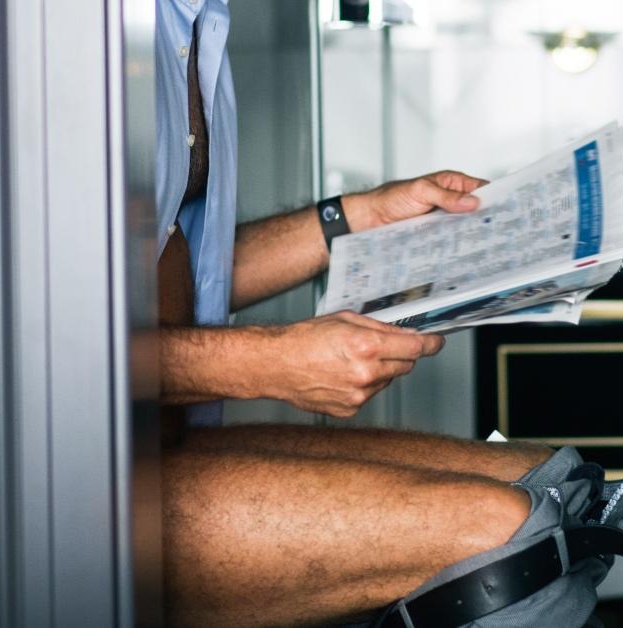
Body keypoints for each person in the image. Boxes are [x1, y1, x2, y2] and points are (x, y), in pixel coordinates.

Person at [156, 2, 556, 625]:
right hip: (78, 488)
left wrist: (355, 218)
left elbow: (182, 275)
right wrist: (263, 363)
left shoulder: (199, 22)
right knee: (509, 533)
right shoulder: (70, 37)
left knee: (556, 484)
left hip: (164, 444)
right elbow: (36, 347)